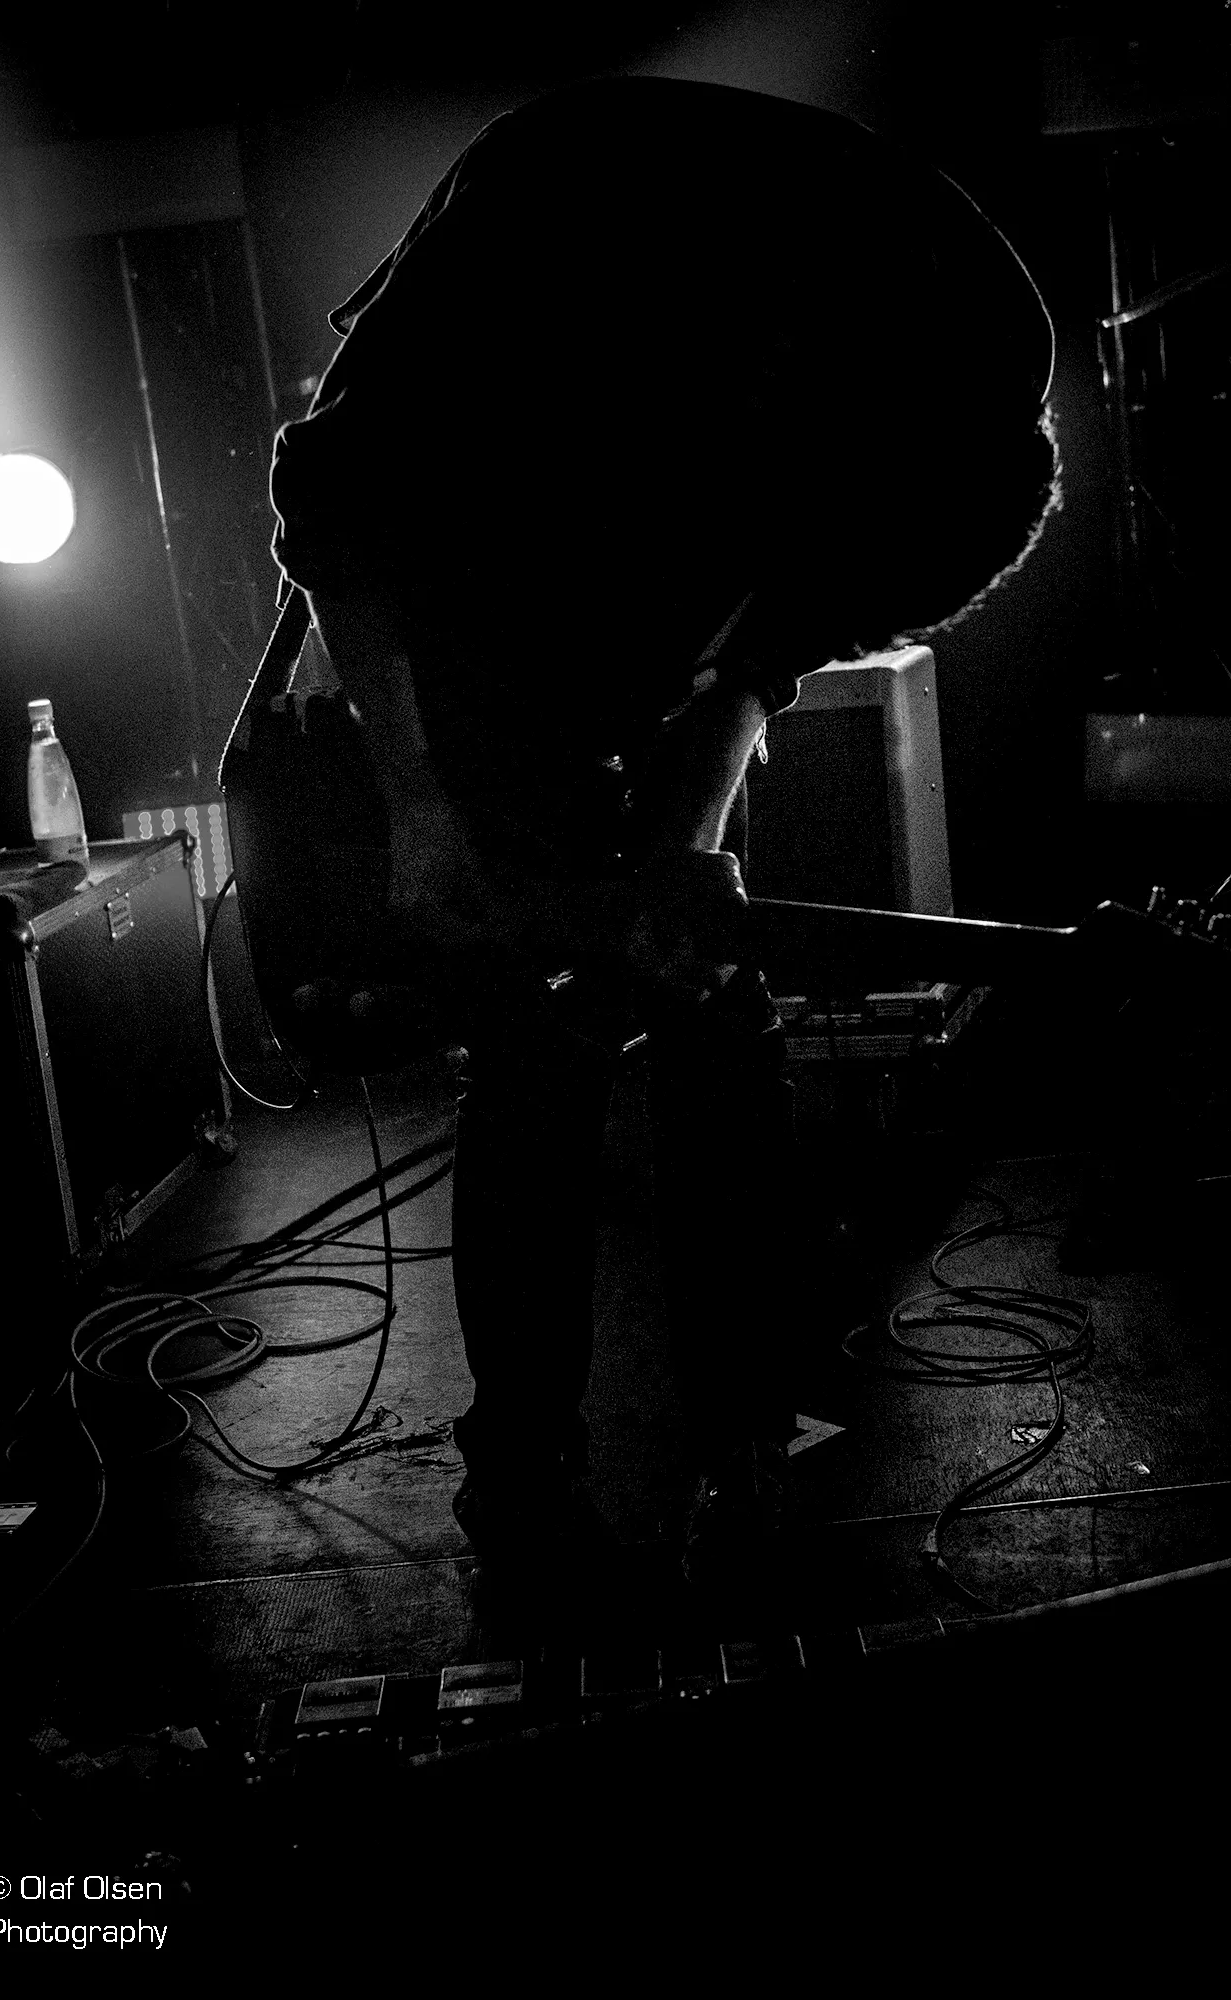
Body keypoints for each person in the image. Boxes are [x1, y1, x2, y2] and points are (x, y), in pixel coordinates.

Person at [267, 77, 1058, 1583]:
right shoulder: (561, 233)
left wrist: (687, 855)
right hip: (477, 593)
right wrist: (425, 813)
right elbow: (341, 514)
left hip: (659, 517)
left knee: (710, 991)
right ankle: (521, 1471)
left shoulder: (954, 361)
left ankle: (751, 1421)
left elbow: (761, 651)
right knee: (540, 1034)